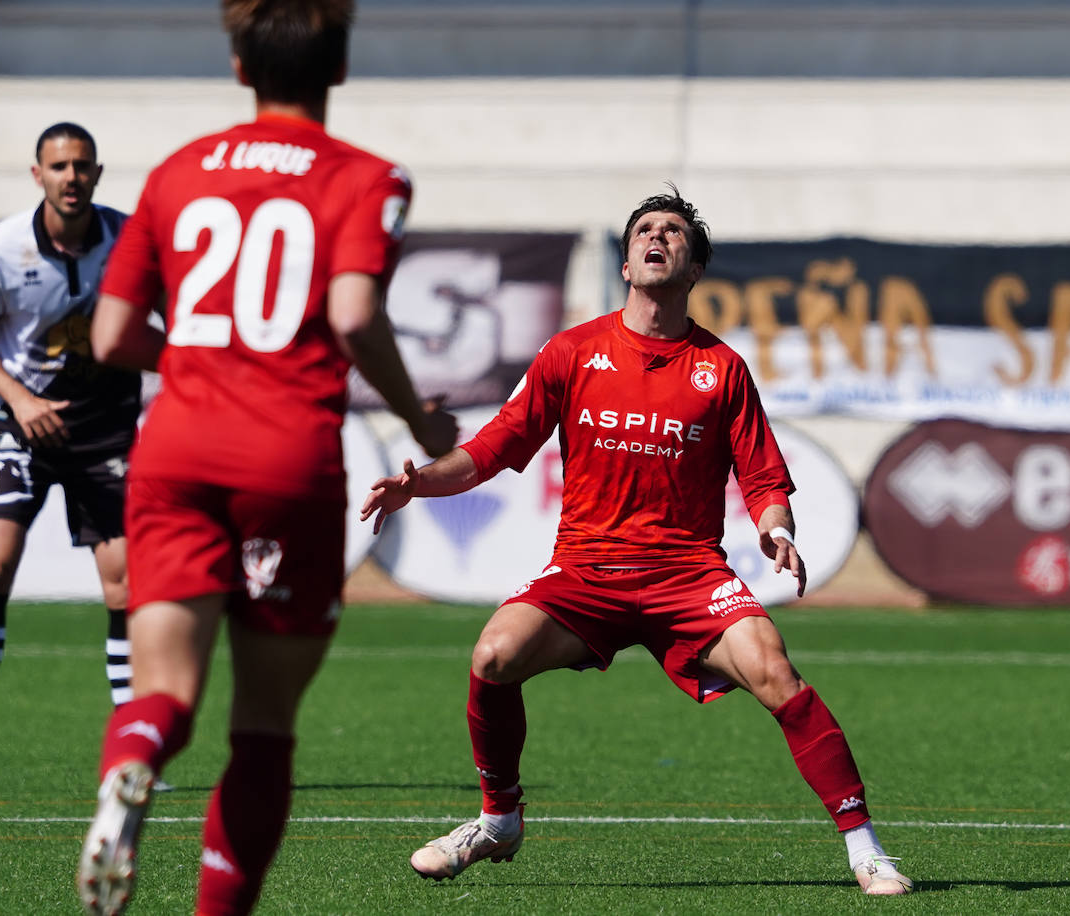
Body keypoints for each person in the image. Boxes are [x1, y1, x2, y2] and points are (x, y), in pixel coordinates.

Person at [361, 187, 914, 896]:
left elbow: (764, 478)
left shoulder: (721, 369)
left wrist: (776, 530)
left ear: (692, 267)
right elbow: (496, 448)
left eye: (674, 232)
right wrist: (421, 483)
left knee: (777, 672)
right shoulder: (572, 351)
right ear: (626, 262)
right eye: (645, 230)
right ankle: (498, 820)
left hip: (688, 575)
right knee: (493, 655)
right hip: (587, 571)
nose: (658, 237)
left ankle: (866, 850)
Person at [76, 1, 458, 913]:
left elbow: (112, 332)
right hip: (285, 457)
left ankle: (131, 763)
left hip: (175, 450)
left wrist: (203, 357)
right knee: (263, 729)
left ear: (240, 68)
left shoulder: (177, 171)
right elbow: (355, 315)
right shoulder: (369, 177)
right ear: (339, 67)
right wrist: (418, 420)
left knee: (164, 693)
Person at [0, 122, 144, 794]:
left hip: (105, 429)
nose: (71, 177)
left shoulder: (132, 241)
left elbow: (157, 321)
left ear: (98, 175)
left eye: (82, 166)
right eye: (59, 166)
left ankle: (131, 749)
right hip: (21, 425)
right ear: (37, 174)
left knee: (126, 584)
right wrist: (20, 402)